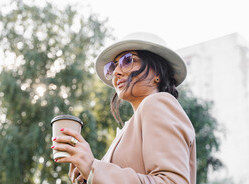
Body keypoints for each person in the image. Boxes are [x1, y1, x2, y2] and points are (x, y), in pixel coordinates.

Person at [51, 32, 196, 184]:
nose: (116, 72)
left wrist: (93, 167)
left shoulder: (158, 103)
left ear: (157, 73)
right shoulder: (129, 128)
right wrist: (89, 177)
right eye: (112, 67)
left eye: (127, 60)